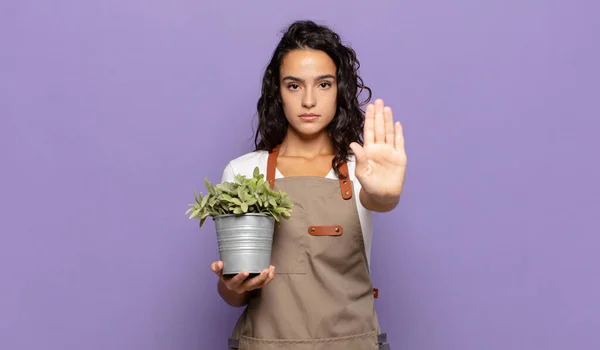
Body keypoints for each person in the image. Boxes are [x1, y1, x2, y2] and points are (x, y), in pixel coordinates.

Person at [210, 20, 406, 350]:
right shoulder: (243, 172)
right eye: (294, 85)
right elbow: (234, 296)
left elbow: (379, 199)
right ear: (278, 92)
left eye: (324, 84)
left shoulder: (364, 171)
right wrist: (233, 286)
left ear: (340, 89)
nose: (309, 101)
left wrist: (386, 195)